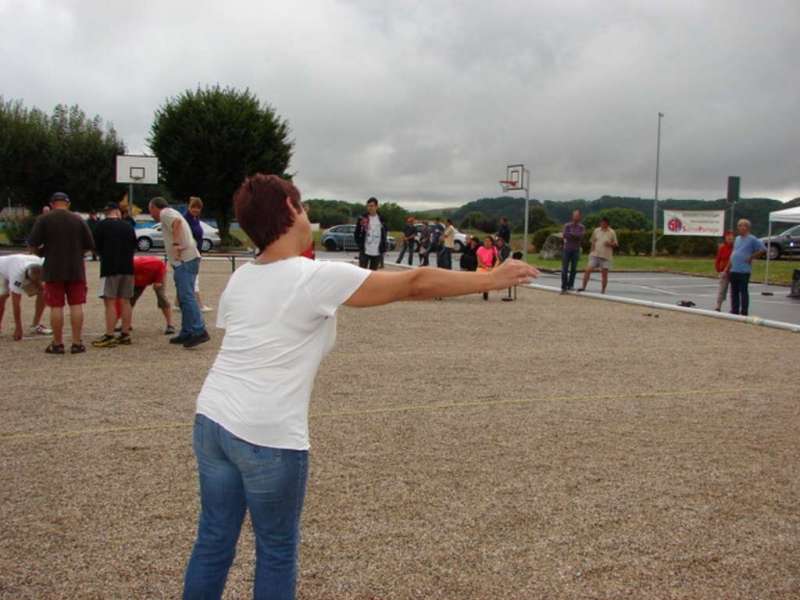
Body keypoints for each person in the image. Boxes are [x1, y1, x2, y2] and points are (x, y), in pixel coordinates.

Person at [182, 174, 538, 600]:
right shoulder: (310, 276)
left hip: (212, 420)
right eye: (305, 208)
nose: (308, 216)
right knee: (276, 550)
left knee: (214, 539)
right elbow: (414, 282)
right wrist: (490, 279)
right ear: (292, 211)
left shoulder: (242, 280)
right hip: (267, 433)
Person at [27, 191, 95, 354]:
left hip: (53, 268)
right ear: (68, 203)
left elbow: (33, 244)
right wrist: (77, 253)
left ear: (51, 204)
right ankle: (77, 342)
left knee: (56, 306)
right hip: (75, 268)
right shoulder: (78, 219)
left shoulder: (44, 219)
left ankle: (57, 343)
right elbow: (89, 244)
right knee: (76, 305)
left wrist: (42, 253)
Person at [148, 197, 209, 348]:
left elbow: (177, 223)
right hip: (186, 260)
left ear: (156, 207)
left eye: (150, 210)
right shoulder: (170, 212)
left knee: (187, 296)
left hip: (185, 261)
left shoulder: (166, 213)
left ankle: (199, 330)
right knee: (183, 297)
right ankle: (187, 331)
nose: (150, 214)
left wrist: (176, 244)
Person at [91, 203, 137, 348]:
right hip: (128, 268)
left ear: (106, 212)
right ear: (118, 212)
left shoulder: (101, 226)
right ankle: (125, 334)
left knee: (110, 302)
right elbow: (134, 246)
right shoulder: (128, 226)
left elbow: (95, 247)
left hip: (109, 267)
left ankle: (110, 335)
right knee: (126, 301)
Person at [114, 255, 175, 335]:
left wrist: (158, 281)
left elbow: (160, 266)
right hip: (139, 278)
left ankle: (170, 325)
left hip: (156, 271)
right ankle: (126, 324)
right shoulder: (125, 269)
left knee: (161, 297)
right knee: (128, 300)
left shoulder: (136, 265)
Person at [0, 254, 50, 340]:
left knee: (43, 291)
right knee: (3, 296)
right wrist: (18, 327)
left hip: (18, 266)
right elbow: (16, 304)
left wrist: (39, 285)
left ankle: (35, 325)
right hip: (2, 270)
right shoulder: (17, 275)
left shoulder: (41, 262)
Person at [726, 219, 766, 316]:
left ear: (748, 227)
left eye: (743, 225)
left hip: (744, 270)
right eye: (739, 225)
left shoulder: (752, 239)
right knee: (733, 291)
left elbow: (763, 249)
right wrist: (728, 266)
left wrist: (751, 257)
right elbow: (734, 253)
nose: (741, 227)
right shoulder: (737, 239)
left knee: (743, 291)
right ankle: (734, 310)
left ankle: (744, 312)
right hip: (734, 269)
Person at [184, 197, 213, 313]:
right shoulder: (186, 219)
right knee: (193, 278)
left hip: (196, 251)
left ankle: (177, 303)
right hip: (190, 252)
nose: (196, 210)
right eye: (193, 207)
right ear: (189, 207)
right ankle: (199, 305)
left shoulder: (195, 219)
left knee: (187, 279)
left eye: (198, 208)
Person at [578, 217, 618, 294]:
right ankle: (583, 287)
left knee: (604, 274)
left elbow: (616, 244)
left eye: (604, 223)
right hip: (595, 254)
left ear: (607, 224)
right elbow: (592, 241)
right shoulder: (596, 230)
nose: (602, 224)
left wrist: (610, 244)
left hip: (606, 256)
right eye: (601, 223)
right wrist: (590, 252)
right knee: (587, 270)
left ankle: (603, 290)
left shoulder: (612, 232)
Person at [353, 197, 386, 270]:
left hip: (377, 252)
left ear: (377, 206)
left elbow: (384, 233)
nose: (369, 208)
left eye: (372, 206)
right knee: (361, 273)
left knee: (373, 275)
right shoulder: (362, 218)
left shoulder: (382, 218)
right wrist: (360, 245)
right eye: (368, 206)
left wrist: (383, 247)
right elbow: (356, 233)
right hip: (365, 251)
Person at [561, 209, 585, 293]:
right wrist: (575, 235)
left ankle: (570, 285)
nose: (576, 217)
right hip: (567, 249)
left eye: (577, 215)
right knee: (564, 269)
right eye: (574, 215)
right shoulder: (567, 225)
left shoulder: (581, 227)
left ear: (580, 217)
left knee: (574, 269)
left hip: (576, 250)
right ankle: (564, 287)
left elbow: (581, 236)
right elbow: (565, 235)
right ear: (572, 216)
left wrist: (572, 234)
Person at [714, 231, 735, 312]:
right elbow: (718, 259)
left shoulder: (735, 248)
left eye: (731, 238)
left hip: (733, 271)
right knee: (722, 289)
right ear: (725, 239)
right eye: (728, 238)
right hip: (724, 272)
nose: (730, 239)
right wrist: (718, 269)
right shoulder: (722, 248)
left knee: (733, 291)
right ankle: (718, 306)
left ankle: (733, 307)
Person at [476, 235, 499, 301]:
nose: (487, 242)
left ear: (491, 242)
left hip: (490, 267)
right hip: (481, 267)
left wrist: (494, 267)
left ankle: (485, 290)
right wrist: (486, 268)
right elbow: (479, 263)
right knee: (482, 275)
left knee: (489, 276)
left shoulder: (493, 249)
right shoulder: (480, 249)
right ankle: (482, 289)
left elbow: (498, 260)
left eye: (489, 241)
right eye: (485, 241)